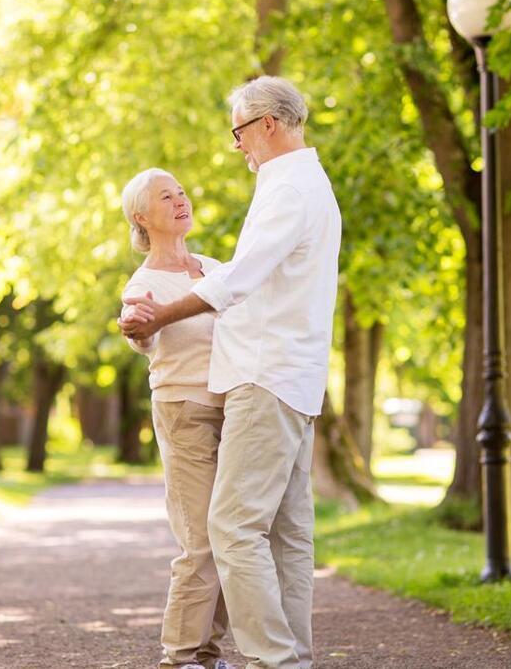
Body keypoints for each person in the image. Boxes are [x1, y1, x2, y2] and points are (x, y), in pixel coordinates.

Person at [122, 76, 341, 669]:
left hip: (267, 378)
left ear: (266, 124)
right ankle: (291, 657)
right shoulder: (303, 185)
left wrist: (162, 315)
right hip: (292, 379)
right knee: (286, 536)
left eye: (239, 132)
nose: (236, 146)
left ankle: (276, 660)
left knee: (233, 528)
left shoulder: (289, 190)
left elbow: (238, 280)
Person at [118, 167, 232, 669]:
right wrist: (137, 329)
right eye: (167, 196)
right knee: (199, 537)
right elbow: (143, 336)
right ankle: (181, 656)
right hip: (184, 408)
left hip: (236, 406)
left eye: (182, 192)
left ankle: (208, 652)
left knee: (232, 535)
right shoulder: (143, 282)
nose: (181, 200)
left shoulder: (215, 266)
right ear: (143, 217)